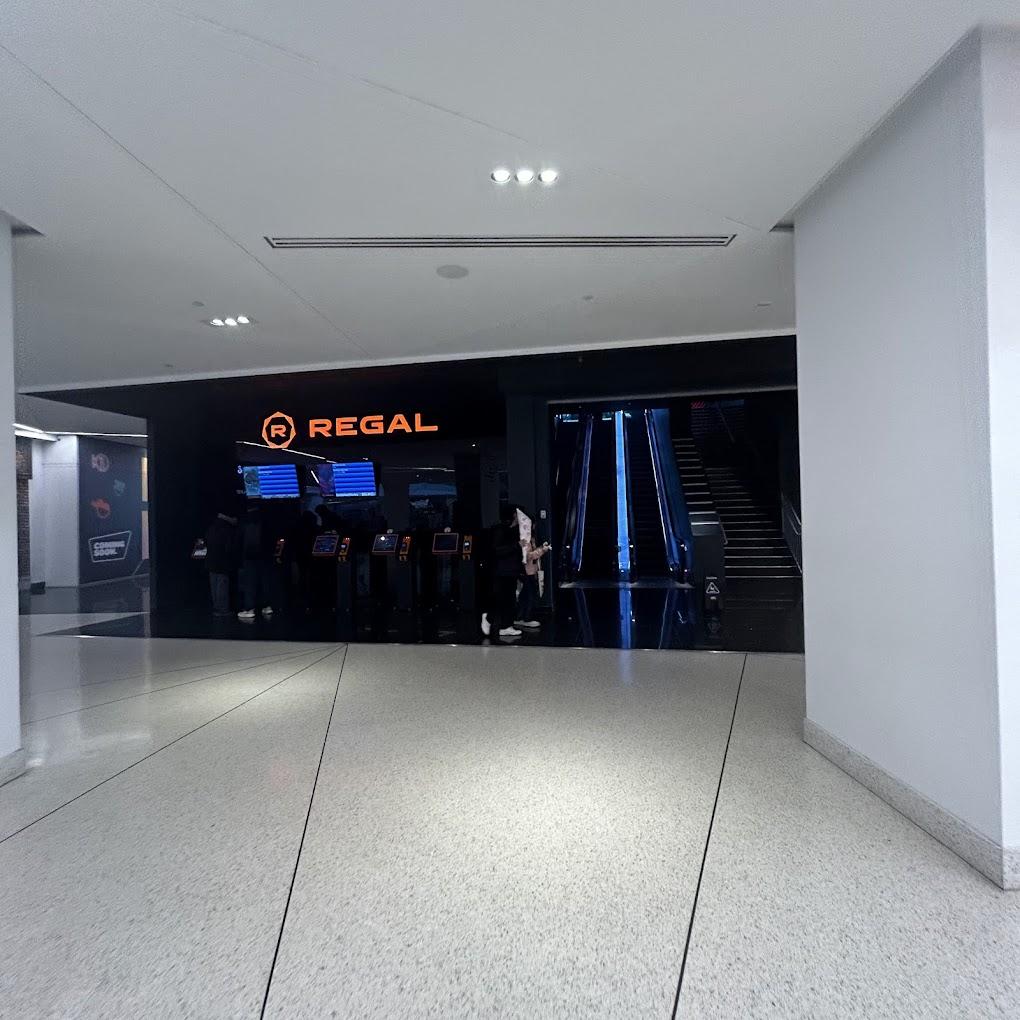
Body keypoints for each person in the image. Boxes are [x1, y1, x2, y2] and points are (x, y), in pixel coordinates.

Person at [481, 503, 522, 638]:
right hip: (501, 570)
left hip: (512, 570)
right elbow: (497, 550)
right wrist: (516, 546)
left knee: (510, 600)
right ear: (513, 515)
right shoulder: (500, 530)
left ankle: (506, 626)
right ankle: (489, 618)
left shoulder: (516, 531)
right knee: (500, 598)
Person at [237, 506, 277, 621]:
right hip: (265, 558)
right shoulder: (266, 525)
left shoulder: (246, 524)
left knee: (249, 584)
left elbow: (240, 542)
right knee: (265, 583)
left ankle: (249, 609)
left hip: (250, 558)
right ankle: (267, 606)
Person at [515, 507, 550, 629]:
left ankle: (520, 617)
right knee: (529, 594)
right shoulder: (525, 538)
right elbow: (528, 556)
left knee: (525, 594)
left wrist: (540, 548)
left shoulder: (530, 538)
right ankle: (526, 618)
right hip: (526, 571)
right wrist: (542, 550)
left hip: (530, 570)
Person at [204, 511, 239, 617]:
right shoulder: (226, 530)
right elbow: (230, 547)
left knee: (214, 585)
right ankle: (223, 609)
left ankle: (216, 608)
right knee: (222, 586)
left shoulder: (211, 529)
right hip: (222, 562)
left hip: (211, 561)